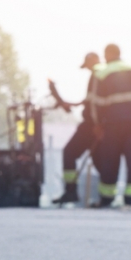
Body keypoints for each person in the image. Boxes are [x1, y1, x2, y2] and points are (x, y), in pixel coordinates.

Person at [92, 44, 131, 208]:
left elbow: (97, 103)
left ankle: (107, 198)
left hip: (112, 125)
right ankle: (130, 199)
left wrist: (98, 124)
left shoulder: (102, 73)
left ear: (107, 54)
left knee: (110, 161)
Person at [49, 52, 102, 205]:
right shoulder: (98, 76)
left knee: (69, 152)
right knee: (99, 160)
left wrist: (97, 124)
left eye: (88, 65)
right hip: (95, 124)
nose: (87, 69)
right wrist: (70, 104)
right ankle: (106, 197)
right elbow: (88, 101)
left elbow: (94, 104)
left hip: (91, 125)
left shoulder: (97, 75)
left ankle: (71, 191)